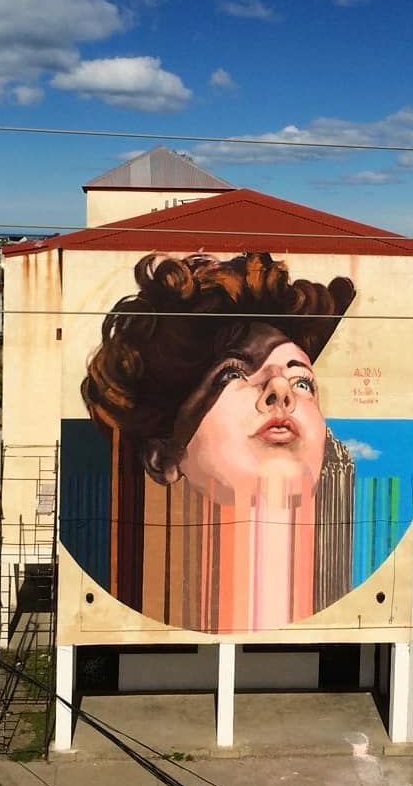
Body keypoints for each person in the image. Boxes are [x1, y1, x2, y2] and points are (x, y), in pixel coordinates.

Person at [81, 251, 356, 633]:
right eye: (231, 375)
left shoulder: (345, 573)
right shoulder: (148, 593)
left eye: (302, 381)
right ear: (162, 458)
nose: (281, 390)